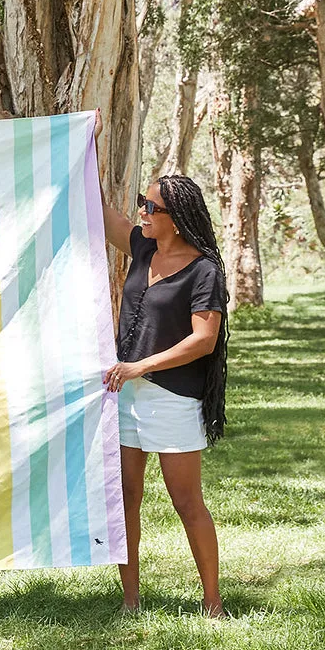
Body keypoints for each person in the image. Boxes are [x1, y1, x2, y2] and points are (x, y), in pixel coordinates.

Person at [95, 112, 229, 618]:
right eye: (142, 204)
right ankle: (130, 600)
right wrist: (84, 145)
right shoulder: (141, 248)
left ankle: (212, 603)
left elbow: (203, 340)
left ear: (177, 216)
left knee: (185, 501)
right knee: (127, 498)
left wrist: (138, 367)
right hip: (125, 395)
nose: (143, 212)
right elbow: (101, 209)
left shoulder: (204, 270)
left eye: (152, 206)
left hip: (171, 396)